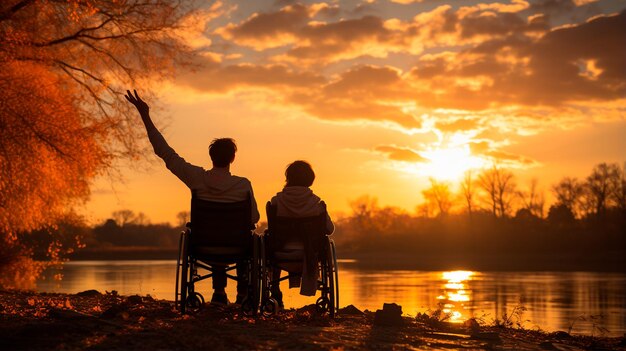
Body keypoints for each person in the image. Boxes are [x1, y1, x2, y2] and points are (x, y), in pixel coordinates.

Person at [125, 90, 260, 305]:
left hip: (202, 245)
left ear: (211, 156)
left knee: (218, 232)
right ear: (233, 158)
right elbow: (253, 218)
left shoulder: (195, 178)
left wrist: (145, 116)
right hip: (238, 247)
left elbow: (165, 152)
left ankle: (219, 293)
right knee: (246, 235)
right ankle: (242, 289)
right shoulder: (243, 185)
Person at [269, 160, 334, 307]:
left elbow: (273, 232)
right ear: (310, 179)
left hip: (280, 254)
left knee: (268, 239)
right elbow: (329, 230)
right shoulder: (317, 205)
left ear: (288, 178)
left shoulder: (276, 202)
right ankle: (324, 295)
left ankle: (274, 289)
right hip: (310, 254)